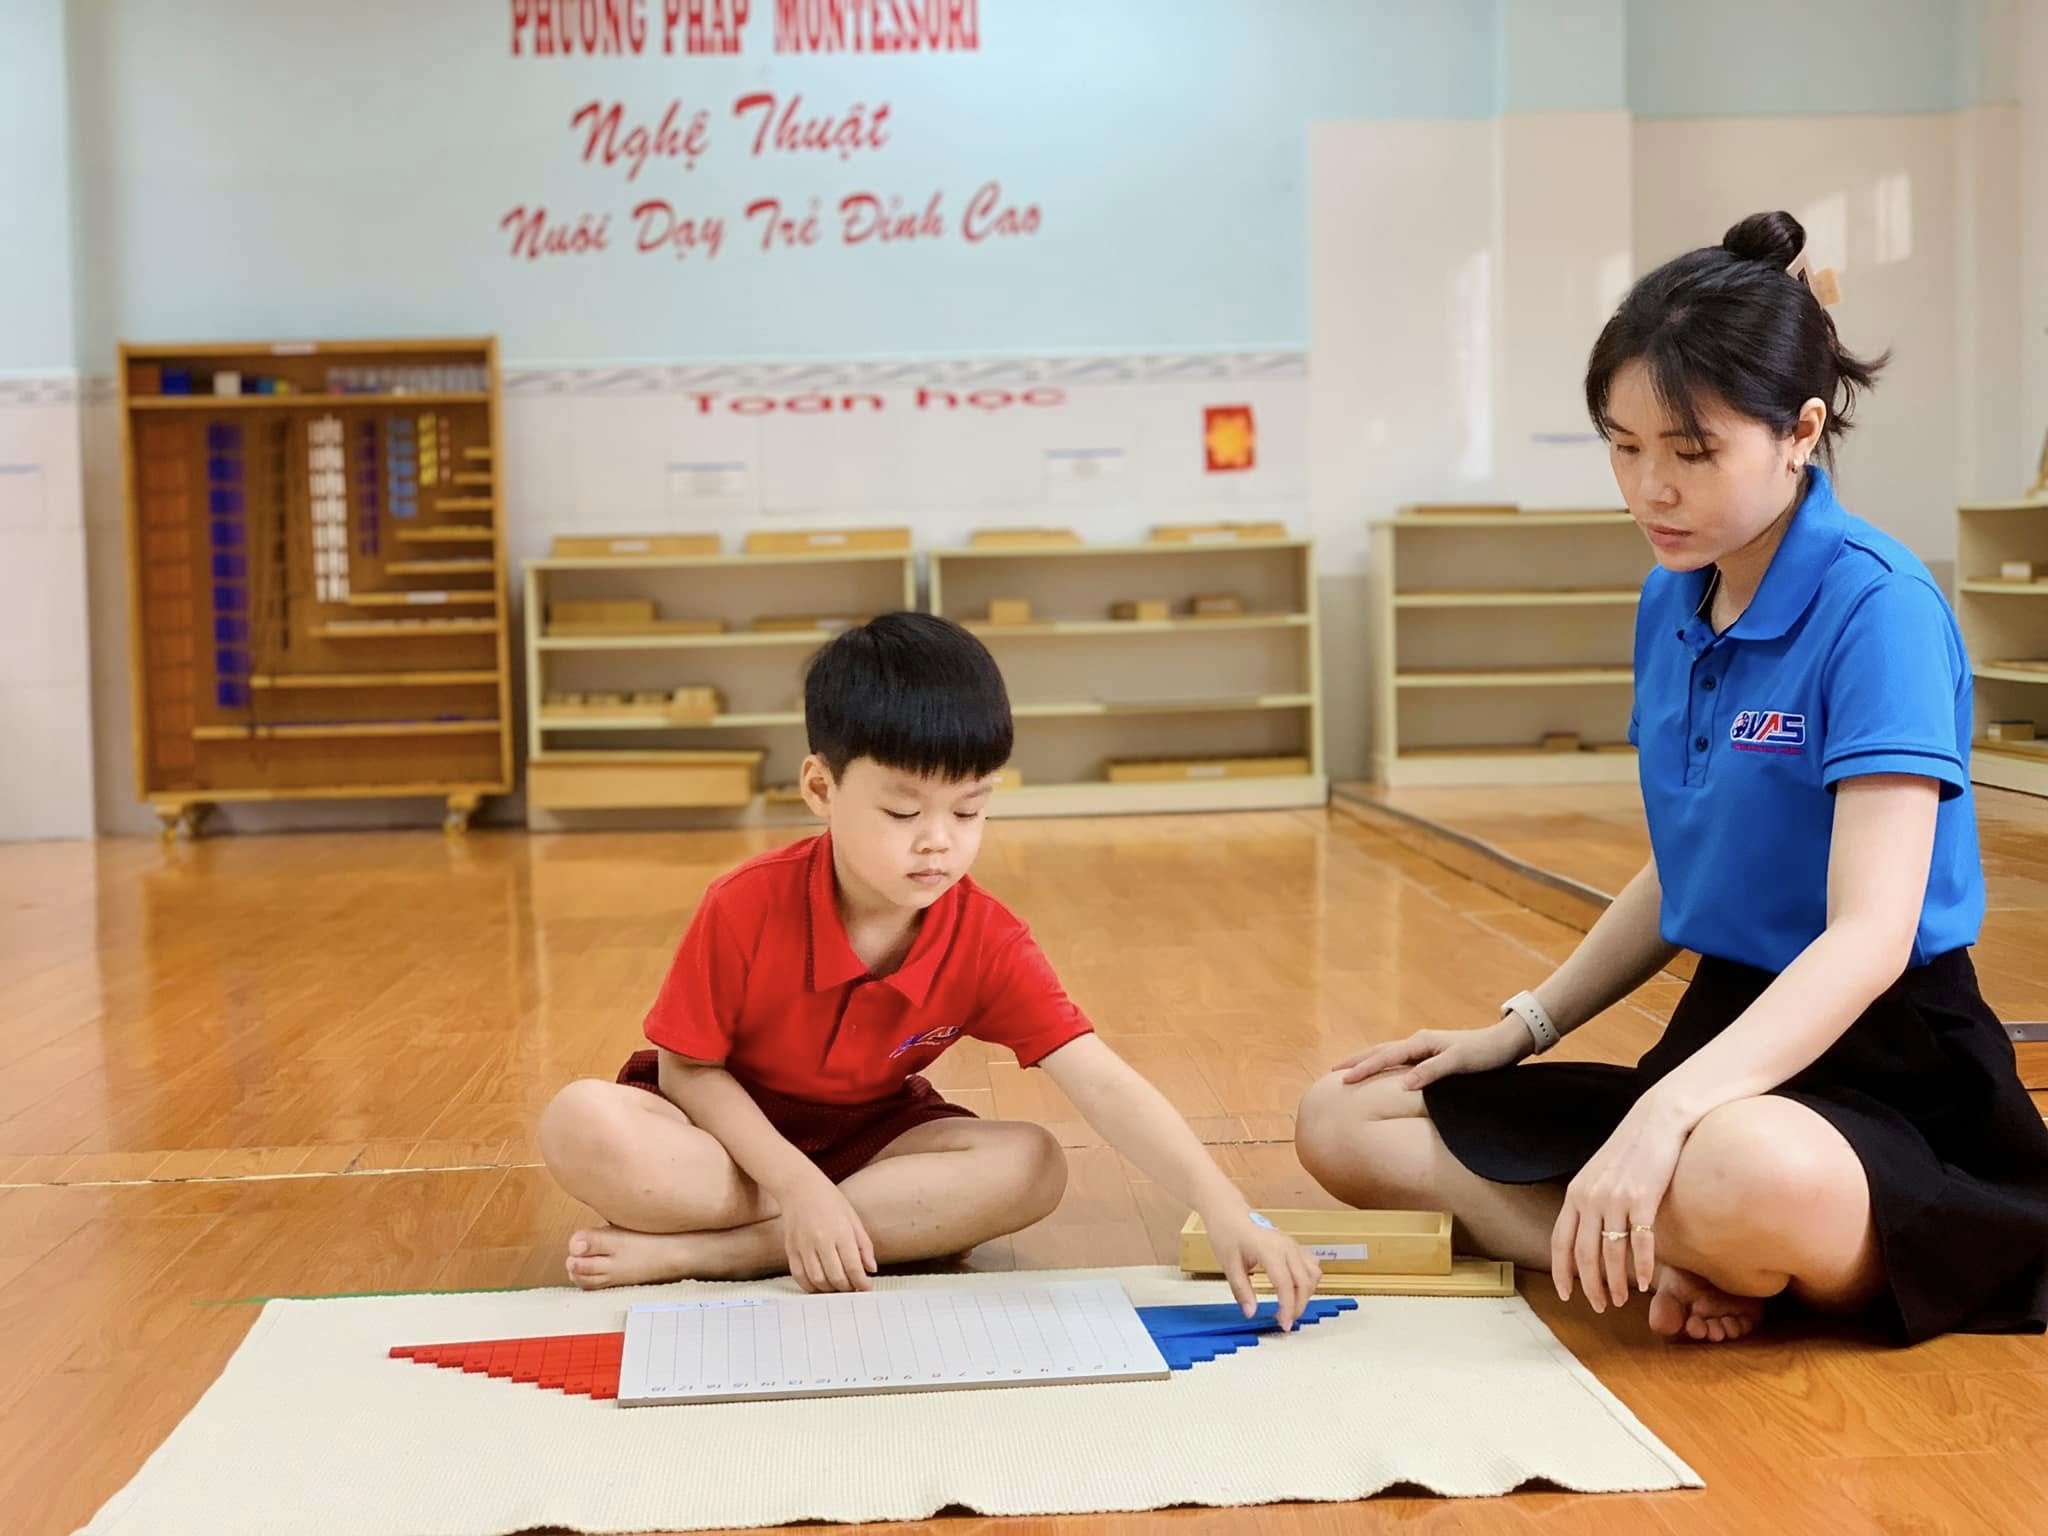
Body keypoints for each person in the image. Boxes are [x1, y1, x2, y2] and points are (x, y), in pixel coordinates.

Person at [1296, 210, 2048, 1345]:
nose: (1649, 489)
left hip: (1890, 1060)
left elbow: (1868, 940)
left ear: (1800, 432)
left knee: (1734, 1170)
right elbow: (1689, 862)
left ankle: (1688, 1235)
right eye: (1624, 446)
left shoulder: (1879, 608)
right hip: (1721, 1031)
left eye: (1691, 454)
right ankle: (1673, 1256)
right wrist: (1520, 1029)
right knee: (1343, 1118)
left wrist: (1668, 1113)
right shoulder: (1673, 594)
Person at [540, 611, 1321, 1323]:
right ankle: (816, 1225)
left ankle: (732, 1254)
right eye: (904, 812)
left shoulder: (985, 939)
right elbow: (688, 1072)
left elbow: (1103, 1083)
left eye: (970, 809)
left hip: (873, 1148)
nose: (939, 841)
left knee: (1033, 1166)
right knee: (582, 1121)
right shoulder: (745, 903)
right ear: (820, 788)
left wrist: (1228, 1209)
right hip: (726, 1145)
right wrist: (797, 1186)